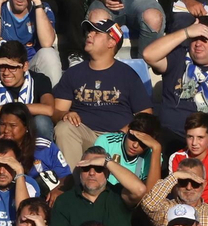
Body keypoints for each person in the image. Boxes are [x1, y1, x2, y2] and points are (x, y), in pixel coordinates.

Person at [50, 16, 154, 169]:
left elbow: (145, 115)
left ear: (111, 42)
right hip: (84, 134)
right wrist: (64, 115)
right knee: (63, 128)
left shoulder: (128, 75)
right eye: (89, 31)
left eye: (96, 33)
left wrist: (126, 131)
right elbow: (56, 111)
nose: (89, 35)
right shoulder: (73, 73)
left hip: (117, 138)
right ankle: (71, 184)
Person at [144, 17, 208, 147]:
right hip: (171, 136)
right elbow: (149, 55)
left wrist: (203, 139)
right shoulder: (178, 57)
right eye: (195, 38)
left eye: (205, 39)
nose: (198, 44)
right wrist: (186, 32)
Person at [48, 147, 142, 226]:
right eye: (86, 168)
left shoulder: (120, 195)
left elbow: (140, 190)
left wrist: (107, 162)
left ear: (107, 172)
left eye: (98, 168)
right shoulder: (65, 201)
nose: (92, 173)